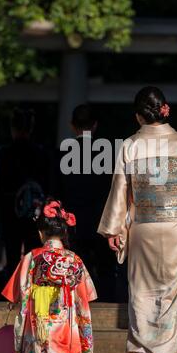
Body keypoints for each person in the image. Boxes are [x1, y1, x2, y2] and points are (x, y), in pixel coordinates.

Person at [98, 86, 177, 353]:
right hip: (175, 226)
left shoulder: (131, 145)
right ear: (165, 109)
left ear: (139, 116)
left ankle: (141, 352)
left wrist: (114, 228)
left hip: (143, 226)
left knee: (141, 291)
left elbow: (120, 190)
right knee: (170, 292)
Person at [2, 198, 97, 353]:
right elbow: (84, 291)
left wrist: (14, 300)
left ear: (40, 234)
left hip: (37, 306)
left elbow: (20, 284)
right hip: (63, 307)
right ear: (63, 233)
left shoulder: (33, 256)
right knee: (59, 339)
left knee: (36, 338)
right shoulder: (73, 258)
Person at [59, 104, 115, 301]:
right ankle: (108, 308)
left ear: (72, 126)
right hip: (102, 220)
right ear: (95, 125)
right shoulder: (107, 154)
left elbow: (57, 192)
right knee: (106, 270)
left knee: (74, 269)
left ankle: (76, 309)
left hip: (73, 221)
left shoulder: (63, 154)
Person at [0, 108, 48, 275]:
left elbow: (0, 184)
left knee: (12, 255)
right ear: (31, 128)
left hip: (10, 209)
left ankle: (13, 293)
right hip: (35, 209)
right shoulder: (40, 153)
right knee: (33, 254)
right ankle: (32, 292)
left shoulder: (5, 153)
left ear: (12, 128)